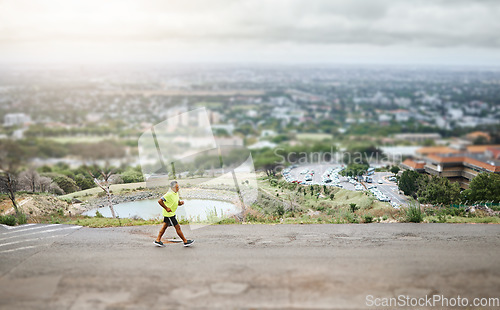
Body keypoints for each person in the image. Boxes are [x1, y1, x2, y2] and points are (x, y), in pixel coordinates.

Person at [154, 181, 194, 247]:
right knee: (177, 227)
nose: (178, 188)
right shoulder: (169, 194)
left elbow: (176, 203)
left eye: (178, 187)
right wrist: (166, 208)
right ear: (173, 187)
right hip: (169, 214)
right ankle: (185, 241)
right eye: (177, 187)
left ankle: (157, 240)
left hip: (171, 213)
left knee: (164, 227)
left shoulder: (176, 193)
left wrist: (180, 203)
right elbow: (160, 201)